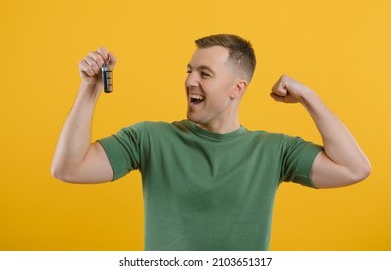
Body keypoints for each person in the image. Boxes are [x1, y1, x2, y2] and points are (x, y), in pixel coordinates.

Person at [51, 34, 371, 251]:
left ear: (237, 88)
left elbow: (353, 169)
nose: (190, 80)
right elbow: (69, 168)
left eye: (205, 74)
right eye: (190, 70)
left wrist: (308, 97)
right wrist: (89, 88)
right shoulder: (149, 138)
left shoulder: (274, 151)